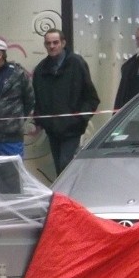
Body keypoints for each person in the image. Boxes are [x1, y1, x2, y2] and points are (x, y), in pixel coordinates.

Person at [32, 29, 100, 175]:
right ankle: (64, 197)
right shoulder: (41, 69)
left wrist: (80, 119)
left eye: (55, 42)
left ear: (63, 43)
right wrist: (41, 120)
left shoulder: (76, 63)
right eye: (48, 43)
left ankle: (71, 196)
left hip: (72, 129)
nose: (52, 46)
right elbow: (37, 99)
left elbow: (92, 97)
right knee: (59, 168)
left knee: (66, 165)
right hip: (52, 130)